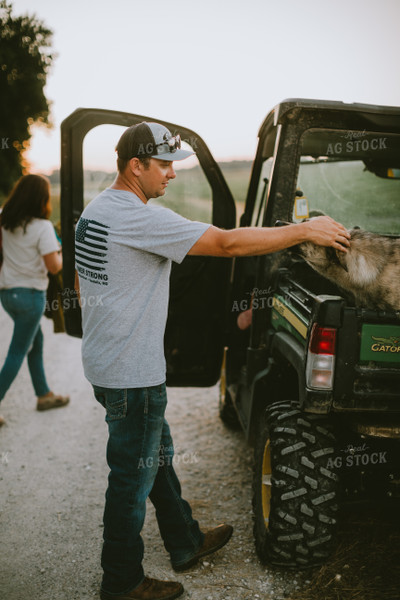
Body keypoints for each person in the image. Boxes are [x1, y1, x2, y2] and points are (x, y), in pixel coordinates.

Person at [75, 122, 350, 600]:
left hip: (107, 363)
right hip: (132, 374)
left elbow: (84, 285)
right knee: (130, 481)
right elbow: (226, 244)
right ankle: (120, 581)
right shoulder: (138, 218)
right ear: (134, 166)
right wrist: (304, 230)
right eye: (163, 165)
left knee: (155, 456)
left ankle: (184, 541)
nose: (171, 175)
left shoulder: (96, 211)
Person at [0, 174, 69, 427]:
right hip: (30, 297)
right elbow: (53, 267)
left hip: (7, 295)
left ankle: (44, 395)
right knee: (17, 351)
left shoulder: (5, 223)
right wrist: (62, 254)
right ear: (42, 199)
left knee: (34, 342)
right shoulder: (43, 228)